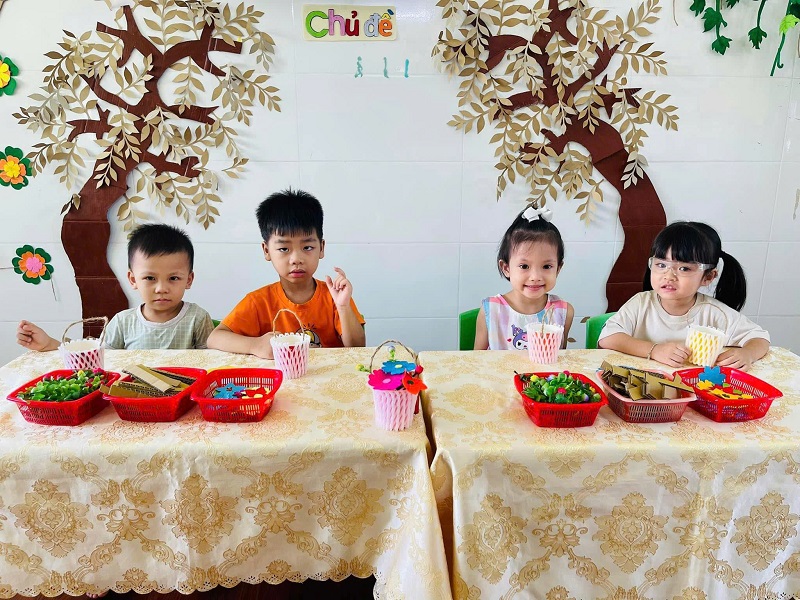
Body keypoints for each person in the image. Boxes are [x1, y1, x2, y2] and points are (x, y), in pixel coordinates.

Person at [207, 188, 366, 358]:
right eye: (284, 249)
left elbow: (358, 347)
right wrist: (255, 345)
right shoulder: (258, 302)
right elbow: (214, 338)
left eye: (307, 247)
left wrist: (343, 307)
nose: (296, 259)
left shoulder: (334, 297)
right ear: (266, 251)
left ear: (321, 248)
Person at [598, 221, 770, 369]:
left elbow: (760, 338)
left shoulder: (715, 313)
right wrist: (654, 350)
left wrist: (748, 354)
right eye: (661, 265)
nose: (669, 276)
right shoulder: (641, 303)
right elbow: (607, 338)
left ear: (708, 277)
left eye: (684, 268)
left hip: (695, 388)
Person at [17, 224, 214, 351]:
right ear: (133, 279)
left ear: (188, 280)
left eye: (173, 278)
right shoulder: (123, 322)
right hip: (130, 399)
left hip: (184, 399)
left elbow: (213, 364)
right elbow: (95, 359)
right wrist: (49, 344)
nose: (161, 288)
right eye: (150, 278)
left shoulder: (197, 318)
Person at [474, 205, 574, 350]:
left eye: (546, 266)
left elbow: (558, 358)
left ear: (558, 268)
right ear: (506, 268)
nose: (535, 277)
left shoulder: (562, 311)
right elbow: (476, 359)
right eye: (524, 266)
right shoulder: (491, 310)